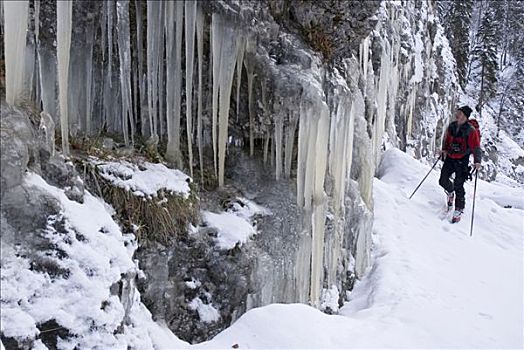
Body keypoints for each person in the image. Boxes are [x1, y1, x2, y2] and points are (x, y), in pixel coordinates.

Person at [439, 105, 481, 222]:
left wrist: (477, 161)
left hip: (462, 159)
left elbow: (476, 147)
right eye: (458, 113)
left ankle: (459, 208)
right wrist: (444, 150)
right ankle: (450, 191)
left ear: (466, 117)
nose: (458, 115)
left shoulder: (471, 131)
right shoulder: (452, 126)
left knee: (459, 184)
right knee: (442, 180)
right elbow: (447, 140)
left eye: (460, 114)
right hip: (450, 157)